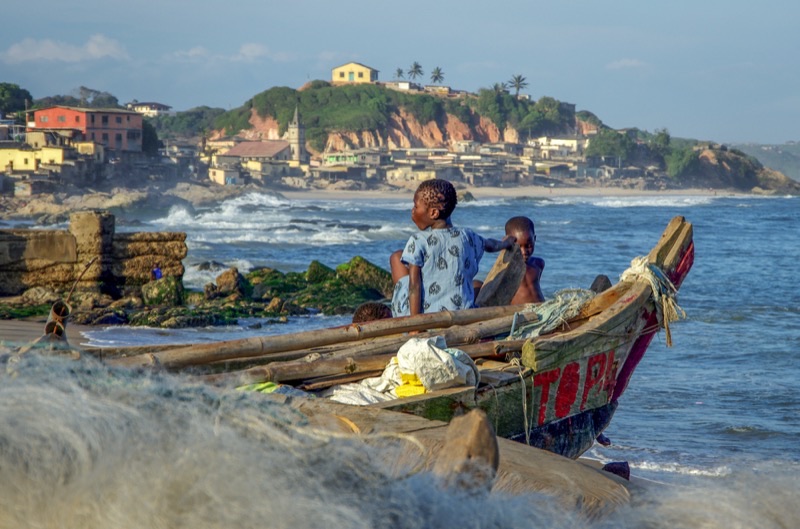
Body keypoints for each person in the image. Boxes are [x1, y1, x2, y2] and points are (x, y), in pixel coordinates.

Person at [390, 179, 516, 317]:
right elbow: (491, 245)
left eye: (415, 206)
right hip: (462, 314)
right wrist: (506, 243)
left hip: (428, 316)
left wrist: (415, 323)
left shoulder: (418, 240)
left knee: (404, 282)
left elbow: (414, 286)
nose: (412, 211)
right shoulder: (467, 236)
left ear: (433, 213)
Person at [504, 216, 545, 304]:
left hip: (542, 309)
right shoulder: (506, 269)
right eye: (518, 247)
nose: (524, 251)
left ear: (534, 239)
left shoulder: (538, 264)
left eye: (528, 246)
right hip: (519, 311)